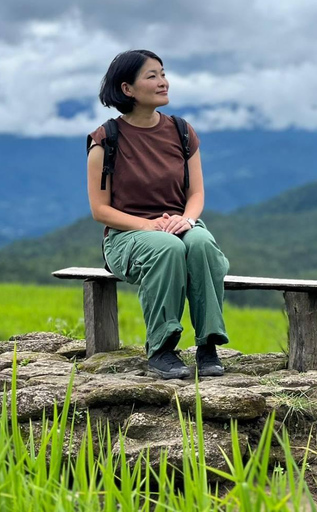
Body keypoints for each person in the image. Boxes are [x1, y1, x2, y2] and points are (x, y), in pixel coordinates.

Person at [86, 49, 230, 380]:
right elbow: (101, 210)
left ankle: (207, 345)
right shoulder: (106, 140)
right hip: (127, 236)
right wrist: (149, 226)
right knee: (168, 248)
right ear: (127, 89)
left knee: (202, 244)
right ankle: (161, 349)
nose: (163, 82)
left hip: (180, 224)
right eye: (152, 76)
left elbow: (195, 193)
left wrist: (188, 220)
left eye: (163, 73)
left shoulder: (181, 131)